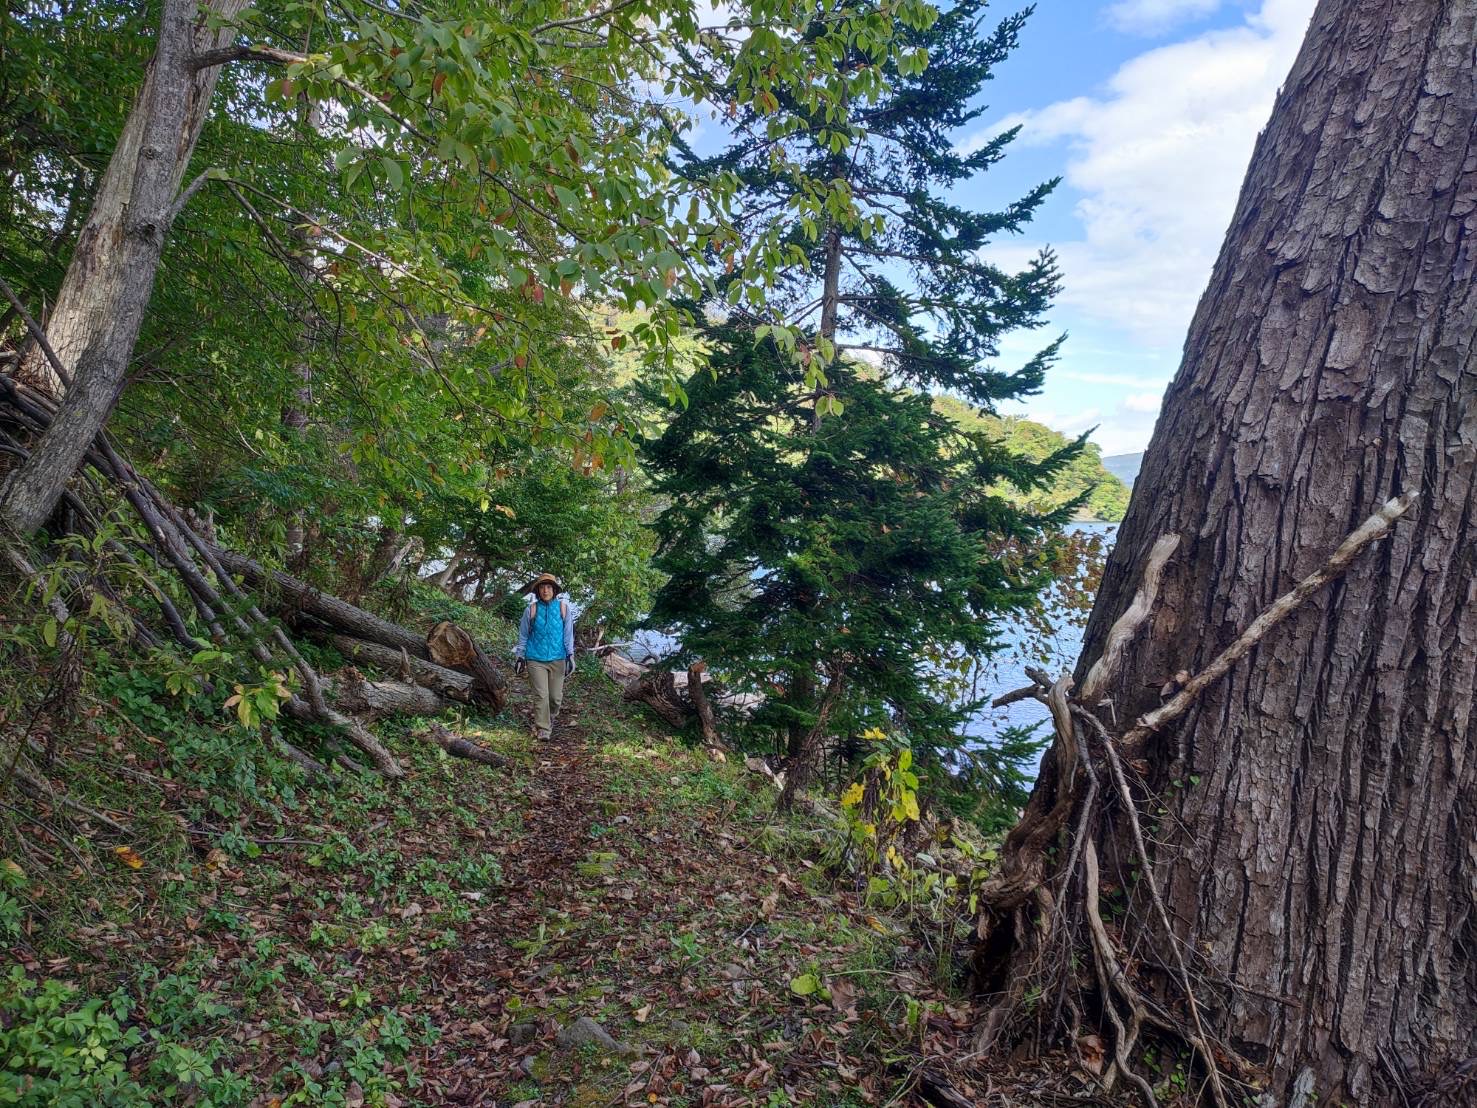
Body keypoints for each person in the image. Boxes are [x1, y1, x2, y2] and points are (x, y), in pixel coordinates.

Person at [513, 572, 575, 740]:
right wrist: (520, 656)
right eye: (542, 587)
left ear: (554, 590)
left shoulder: (563, 608)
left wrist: (570, 655)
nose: (545, 590)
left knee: (555, 698)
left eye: (549, 587)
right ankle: (543, 729)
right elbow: (523, 635)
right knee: (541, 696)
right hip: (535, 658)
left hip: (558, 658)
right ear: (538, 590)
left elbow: (568, 634)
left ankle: (551, 717)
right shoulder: (531, 609)